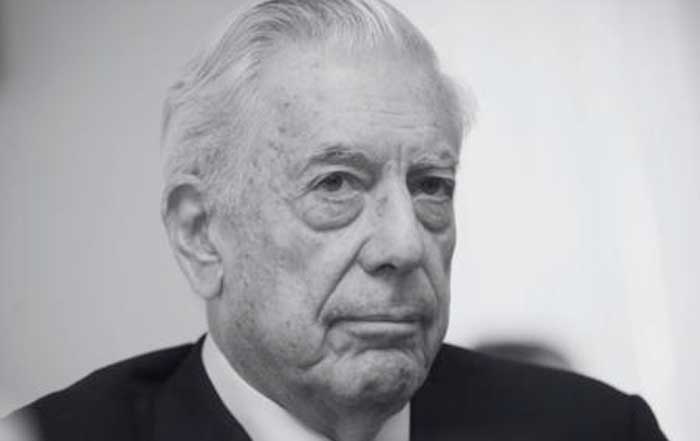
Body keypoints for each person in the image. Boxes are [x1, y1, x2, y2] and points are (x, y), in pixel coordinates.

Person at [6, 1, 667, 440]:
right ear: (200, 234)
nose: (405, 244)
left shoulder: (601, 431)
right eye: (336, 184)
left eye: (431, 186)